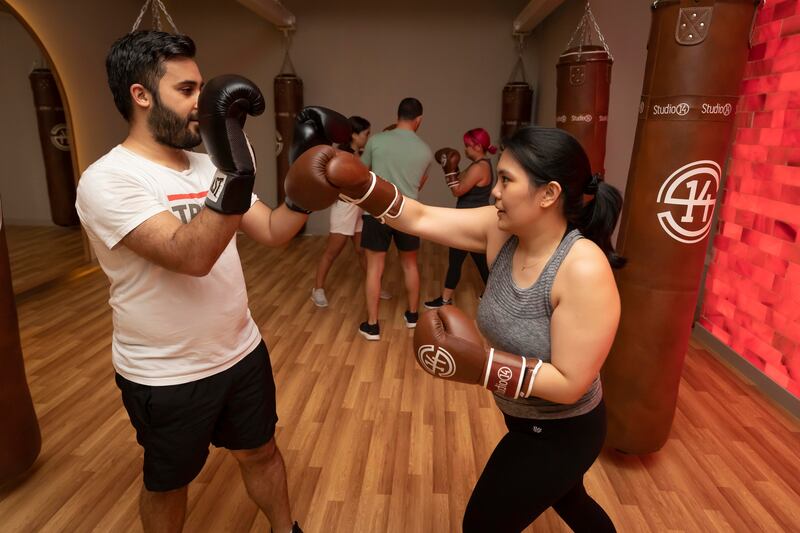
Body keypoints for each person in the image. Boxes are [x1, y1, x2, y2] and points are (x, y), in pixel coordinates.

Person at [283, 125, 623, 532]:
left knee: (481, 524)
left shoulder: (581, 268)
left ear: (548, 194)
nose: (494, 191)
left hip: (563, 430)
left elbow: (571, 383)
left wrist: (482, 366)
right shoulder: (502, 231)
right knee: (571, 499)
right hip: (521, 415)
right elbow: (421, 216)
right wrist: (361, 186)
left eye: (506, 180)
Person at [75, 31, 306, 533]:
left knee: (262, 453)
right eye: (187, 90)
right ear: (141, 95)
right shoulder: (109, 180)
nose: (203, 103)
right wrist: (238, 170)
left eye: (203, 88)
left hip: (241, 352)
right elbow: (192, 255)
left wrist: (307, 189)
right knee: (169, 482)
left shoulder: (208, 164)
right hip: (166, 374)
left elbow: (272, 231)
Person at [356, 97, 432, 340]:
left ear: (397, 115)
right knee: (410, 264)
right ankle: (412, 317)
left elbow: (359, 174)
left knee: (374, 269)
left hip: (377, 211)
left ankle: (372, 326)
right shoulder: (425, 150)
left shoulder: (376, 141)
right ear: (418, 120)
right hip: (407, 212)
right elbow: (419, 184)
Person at [310, 116, 391, 307]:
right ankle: (318, 289)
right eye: (366, 134)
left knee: (362, 250)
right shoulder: (340, 154)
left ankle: (375, 286)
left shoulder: (361, 154)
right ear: (354, 135)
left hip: (359, 208)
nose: (368, 137)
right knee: (332, 252)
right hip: (345, 208)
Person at [424, 128, 496, 309]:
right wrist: (451, 169)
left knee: (456, 259)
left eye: (467, 146)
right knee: (479, 260)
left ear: (478, 146)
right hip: (473, 219)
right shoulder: (478, 165)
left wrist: (448, 171)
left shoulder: (480, 167)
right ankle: (493, 294)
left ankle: (445, 300)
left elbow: (457, 190)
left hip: (468, 221)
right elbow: (459, 180)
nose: (465, 150)